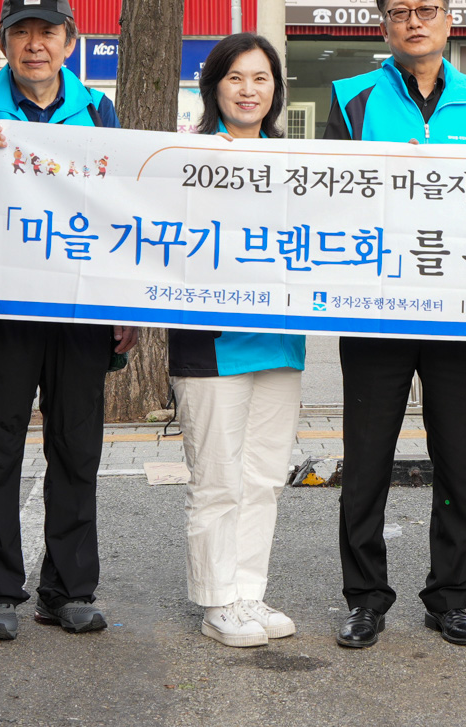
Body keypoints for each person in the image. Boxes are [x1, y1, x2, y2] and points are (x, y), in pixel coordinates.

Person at [0, 0, 137, 643]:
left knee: (76, 448)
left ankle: (69, 590)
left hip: (78, 303)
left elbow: (117, 210)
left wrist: (124, 304)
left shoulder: (98, 110)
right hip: (1, 302)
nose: (34, 44)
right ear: (3, 42)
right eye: (21, 31)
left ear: (69, 41)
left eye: (47, 31)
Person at [324, 0, 466, 649]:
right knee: (366, 460)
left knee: (455, 460)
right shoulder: (351, 99)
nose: (414, 21)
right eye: (400, 11)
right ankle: (365, 597)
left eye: (426, 9)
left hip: (456, 311)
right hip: (373, 308)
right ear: (384, 27)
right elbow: (329, 196)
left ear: (449, 20)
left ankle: (449, 597)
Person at [169, 34, 307, 648]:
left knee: (264, 476)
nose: (249, 91)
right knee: (217, 477)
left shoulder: (298, 163)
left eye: (261, 78)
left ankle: (249, 591)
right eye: (235, 78)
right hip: (211, 343)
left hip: (280, 341)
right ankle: (217, 599)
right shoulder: (185, 157)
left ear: (276, 89)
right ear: (213, 88)